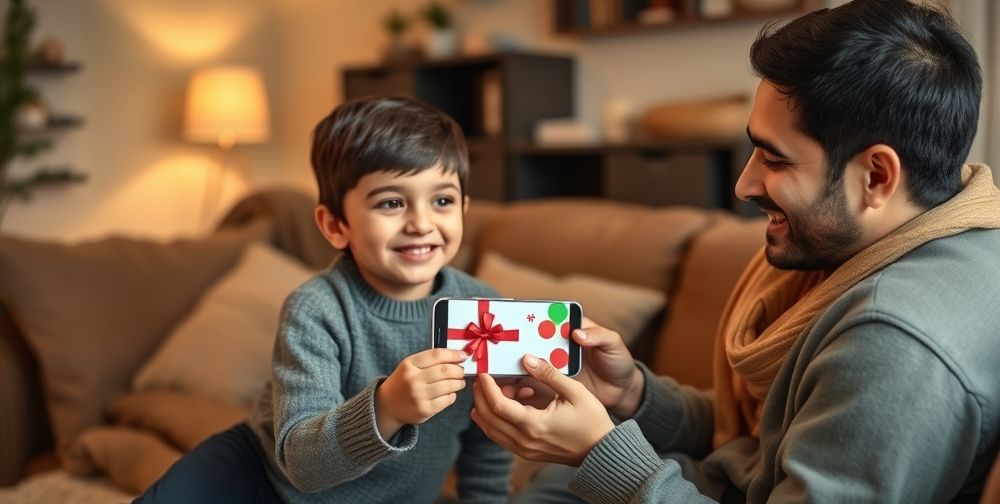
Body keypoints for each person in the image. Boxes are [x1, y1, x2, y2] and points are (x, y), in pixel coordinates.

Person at [470, 0, 1000, 502]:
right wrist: (631, 396)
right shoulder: (906, 242)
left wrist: (599, 453)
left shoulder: (893, 344)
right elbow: (759, 442)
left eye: (774, 159)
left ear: (876, 176)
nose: (744, 185)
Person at [137, 96, 511, 503]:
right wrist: (387, 408)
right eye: (391, 203)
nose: (421, 223)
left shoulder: (484, 312)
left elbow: (490, 446)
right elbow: (303, 464)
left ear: (463, 209)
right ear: (335, 226)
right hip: (261, 476)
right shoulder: (316, 309)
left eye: (442, 201)